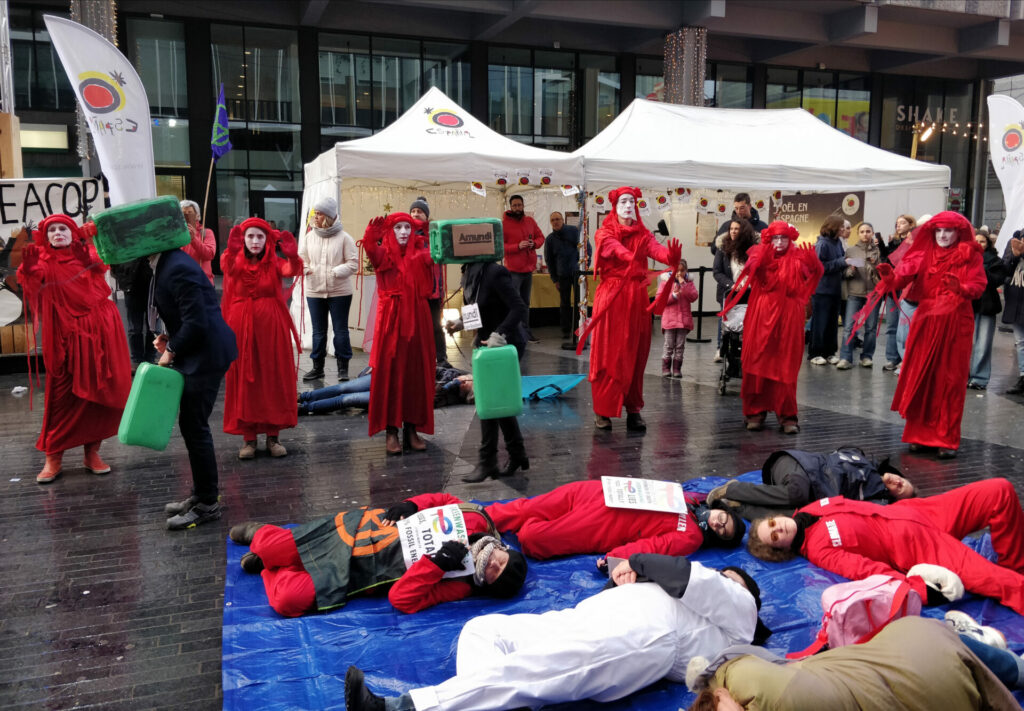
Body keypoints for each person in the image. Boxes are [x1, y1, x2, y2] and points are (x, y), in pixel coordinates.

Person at [344, 556, 766, 711]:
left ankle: (402, 708)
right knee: (484, 631)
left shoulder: (740, 615)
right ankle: (483, 705)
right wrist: (625, 576)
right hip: (587, 617)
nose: (725, 576)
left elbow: (693, 576)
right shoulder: (671, 589)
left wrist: (637, 561)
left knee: (528, 673)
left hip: (646, 639)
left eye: (735, 577)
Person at [747, 477, 1024, 616]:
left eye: (772, 523)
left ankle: (1015, 563)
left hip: (922, 511)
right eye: (774, 537)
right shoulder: (820, 551)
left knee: (999, 490)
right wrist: (919, 591)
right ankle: (1013, 576)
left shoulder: (809, 508)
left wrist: (897, 484)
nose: (778, 528)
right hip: (920, 548)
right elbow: (868, 571)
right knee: (1010, 585)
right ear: (781, 549)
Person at [227, 507, 527, 618]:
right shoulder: (473, 519)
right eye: (501, 562)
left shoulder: (460, 585)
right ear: (503, 549)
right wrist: (411, 504)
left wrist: (436, 564)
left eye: (494, 574)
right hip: (357, 533)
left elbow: (401, 600)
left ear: (486, 584)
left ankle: (272, 566)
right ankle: (263, 538)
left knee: (286, 601)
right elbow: (439, 498)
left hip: (356, 573)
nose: (492, 565)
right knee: (269, 546)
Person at [853, 211, 986, 458]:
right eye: (939, 230)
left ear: (958, 232)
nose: (944, 235)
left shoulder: (969, 256)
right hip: (926, 324)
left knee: (949, 381)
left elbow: (978, 286)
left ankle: (945, 438)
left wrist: (962, 288)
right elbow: (901, 279)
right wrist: (889, 277)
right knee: (922, 377)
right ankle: (919, 435)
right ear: (933, 232)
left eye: (949, 231)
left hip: (956, 326)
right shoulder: (923, 253)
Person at [688, 616, 1020, 711]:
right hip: (920, 651)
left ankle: (999, 656)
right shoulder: (752, 681)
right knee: (939, 642)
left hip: (916, 652)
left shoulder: (748, 681)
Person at [17, 214, 132, 483]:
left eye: (64, 229)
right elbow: (32, 284)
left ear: (73, 233)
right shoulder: (44, 262)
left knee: (98, 398)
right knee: (61, 399)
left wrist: (92, 238)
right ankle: (53, 458)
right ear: (45, 237)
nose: (58, 233)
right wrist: (30, 270)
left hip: (99, 336)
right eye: (52, 230)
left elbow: (105, 261)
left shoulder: (87, 254)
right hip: (67, 341)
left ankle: (92, 453)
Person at [384, 481, 746, 563]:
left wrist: (619, 558)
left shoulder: (691, 538)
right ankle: (426, 510)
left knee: (533, 539)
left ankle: (461, 537)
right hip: (595, 494)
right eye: (724, 520)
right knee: (515, 510)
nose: (718, 524)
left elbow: (653, 547)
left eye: (723, 532)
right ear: (723, 511)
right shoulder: (691, 498)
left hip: (601, 524)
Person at [580, 186, 681, 431]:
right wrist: (628, 255)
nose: (628, 206)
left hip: (635, 299)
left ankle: (633, 409)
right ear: (615, 206)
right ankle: (603, 410)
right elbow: (612, 248)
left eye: (632, 202)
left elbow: (655, 250)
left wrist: (671, 257)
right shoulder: (605, 232)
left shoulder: (642, 234)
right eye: (624, 201)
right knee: (610, 355)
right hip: (613, 298)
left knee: (636, 354)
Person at [152, 241, 238, 529]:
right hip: (201, 352)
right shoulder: (170, 262)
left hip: (206, 355)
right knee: (192, 426)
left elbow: (197, 321)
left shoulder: (175, 266)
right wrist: (170, 338)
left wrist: (171, 350)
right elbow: (187, 314)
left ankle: (207, 505)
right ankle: (201, 494)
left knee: (195, 426)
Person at [721, 221, 822, 434]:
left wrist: (815, 266)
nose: (779, 242)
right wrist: (757, 263)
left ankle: (787, 416)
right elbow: (749, 270)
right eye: (775, 238)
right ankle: (755, 412)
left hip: (788, 319)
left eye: (783, 237)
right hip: (761, 316)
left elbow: (812, 276)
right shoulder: (759, 254)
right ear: (769, 238)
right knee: (757, 362)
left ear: (790, 238)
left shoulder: (798, 258)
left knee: (785, 366)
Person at [220, 218, 303, 459]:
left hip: (271, 329)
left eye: (260, 237)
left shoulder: (274, 262)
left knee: (271, 377)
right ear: (243, 240)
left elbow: (291, 271)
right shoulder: (234, 260)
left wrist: (293, 257)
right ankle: (249, 438)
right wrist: (232, 250)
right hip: (241, 329)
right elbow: (226, 266)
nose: (255, 241)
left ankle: (273, 436)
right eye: (250, 237)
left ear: (267, 240)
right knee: (245, 380)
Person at [448, 256, 529, 482]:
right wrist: (461, 324)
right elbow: (481, 309)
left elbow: (518, 307)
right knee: (496, 401)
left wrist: (499, 333)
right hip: (486, 345)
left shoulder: (495, 272)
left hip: (504, 343)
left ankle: (488, 462)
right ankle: (517, 454)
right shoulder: (471, 273)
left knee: (488, 400)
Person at [362, 212, 435, 455]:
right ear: (390, 232)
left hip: (417, 319)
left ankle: (411, 427)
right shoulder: (384, 254)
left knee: (415, 374)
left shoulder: (420, 254)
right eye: (398, 228)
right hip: (391, 322)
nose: (404, 232)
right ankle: (392, 430)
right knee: (391, 375)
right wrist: (371, 238)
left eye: (407, 227)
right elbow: (371, 251)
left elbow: (439, 255)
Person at [707, 446, 914, 522]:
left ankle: (738, 506)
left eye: (899, 489)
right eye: (901, 480)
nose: (896, 482)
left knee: (796, 520)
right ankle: (733, 489)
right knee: (798, 494)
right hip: (798, 467)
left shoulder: (875, 500)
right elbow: (837, 456)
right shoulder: (864, 460)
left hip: (809, 493)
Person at [299, 195, 358, 382]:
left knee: (340, 330)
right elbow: (301, 259)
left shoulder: (344, 238)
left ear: (328, 216)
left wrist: (336, 272)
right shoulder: (309, 237)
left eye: (318, 214)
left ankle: (343, 368)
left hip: (339, 291)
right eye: (314, 213)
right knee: (318, 331)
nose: (314, 217)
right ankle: (318, 368)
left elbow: (353, 263)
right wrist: (306, 269)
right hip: (314, 291)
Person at [298, 365, 473, 415]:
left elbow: (430, 399)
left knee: (347, 398)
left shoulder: (447, 397)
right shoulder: (452, 373)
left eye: (466, 388)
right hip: (392, 377)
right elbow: (428, 367)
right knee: (344, 387)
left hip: (392, 396)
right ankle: (304, 397)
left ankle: (305, 408)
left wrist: (451, 386)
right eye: (467, 381)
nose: (464, 383)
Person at [410, 197, 449, 368]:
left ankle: (441, 358)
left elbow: (442, 255)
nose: (416, 214)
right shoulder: (405, 233)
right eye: (413, 211)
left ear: (426, 216)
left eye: (420, 211)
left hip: (432, 289)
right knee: (414, 327)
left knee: (435, 326)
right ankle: (417, 358)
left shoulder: (435, 233)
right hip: (413, 290)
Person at [500, 194, 544, 343]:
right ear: (510, 207)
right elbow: (500, 246)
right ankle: (513, 333)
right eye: (515, 205)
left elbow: (540, 237)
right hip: (513, 270)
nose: (517, 208)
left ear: (523, 206)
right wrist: (516, 246)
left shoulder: (530, 221)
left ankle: (525, 332)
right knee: (514, 304)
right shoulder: (503, 224)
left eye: (519, 205)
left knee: (525, 303)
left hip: (528, 270)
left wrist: (534, 244)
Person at [837, 221, 880, 369]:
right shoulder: (850, 251)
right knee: (849, 326)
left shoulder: (878, 251)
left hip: (873, 294)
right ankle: (845, 358)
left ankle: (867, 356)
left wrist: (875, 267)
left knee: (871, 327)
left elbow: (884, 272)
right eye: (862, 231)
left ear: (872, 233)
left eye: (868, 231)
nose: (865, 234)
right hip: (854, 293)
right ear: (858, 234)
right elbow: (844, 273)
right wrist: (851, 270)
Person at [968, 230, 1008, 389]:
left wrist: (978, 265)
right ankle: (963, 375)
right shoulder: (964, 258)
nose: (978, 244)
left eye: (982, 241)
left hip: (986, 306)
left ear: (988, 244)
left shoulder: (995, 261)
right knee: (964, 344)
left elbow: (994, 281)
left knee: (983, 344)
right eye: (975, 241)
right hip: (967, 305)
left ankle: (979, 378)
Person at [879, 214, 916, 371]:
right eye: (897, 223)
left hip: (908, 289)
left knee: (906, 326)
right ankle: (892, 358)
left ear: (910, 225)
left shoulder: (914, 242)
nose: (899, 226)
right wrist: (882, 246)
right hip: (894, 288)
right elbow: (887, 261)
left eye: (902, 223)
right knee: (892, 325)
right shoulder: (892, 242)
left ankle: (905, 359)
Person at [808, 215, 847, 366]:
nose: (844, 229)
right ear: (833, 227)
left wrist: (846, 264)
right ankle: (815, 353)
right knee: (820, 323)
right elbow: (819, 268)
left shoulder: (838, 243)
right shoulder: (822, 244)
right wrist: (841, 262)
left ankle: (830, 352)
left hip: (835, 289)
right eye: (841, 226)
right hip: (822, 290)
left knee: (832, 323)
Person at [108, 256, 156, 371]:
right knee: (135, 327)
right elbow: (115, 262)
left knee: (152, 326)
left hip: (150, 283)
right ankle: (137, 360)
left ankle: (149, 359)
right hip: (132, 285)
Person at [653, 258, 698, 377]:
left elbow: (693, 296)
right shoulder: (665, 282)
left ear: (686, 271)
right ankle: (666, 367)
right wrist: (673, 296)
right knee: (668, 345)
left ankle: (677, 368)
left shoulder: (688, 282)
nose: (679, 274)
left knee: (680, 345)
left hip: (683, 320)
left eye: (682, 271)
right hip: (669, 320)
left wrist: (683, 284)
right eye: (676, 271)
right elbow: (660, 301)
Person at [544, 211, 583, 342]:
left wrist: (583, 266)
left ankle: (580, 328)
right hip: (562, 276)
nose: (555, 222)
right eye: (553, 220)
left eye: (557, 219)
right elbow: (549, 260)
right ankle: (566, 331)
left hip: (577, 274)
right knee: (564, 304)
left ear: (562, 220)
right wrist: (554, 279)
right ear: (551, 223)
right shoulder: (549, 239)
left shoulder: (574, 231)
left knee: (580, 303)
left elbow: (585, 247)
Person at [1001, 230, 1024, 396]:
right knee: (1020, 342)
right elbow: (1005, 269)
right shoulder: (1015, 239)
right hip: (1016, 300)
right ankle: (1023, 376)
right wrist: (1016, 256)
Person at [180, 200, 216, 284]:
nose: (187, 215)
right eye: (183, 213)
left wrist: (194, 239)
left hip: (203, 282)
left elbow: (209, 254)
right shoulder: (177, 235)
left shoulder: (206, 232)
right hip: (183, 281)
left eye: (190, 212)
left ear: (197, 215)